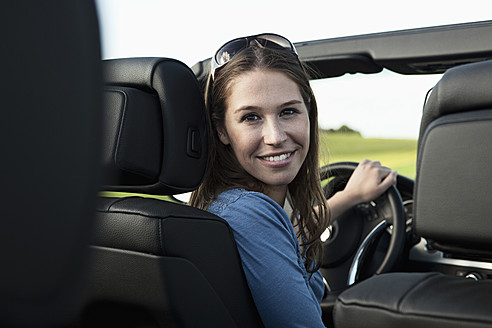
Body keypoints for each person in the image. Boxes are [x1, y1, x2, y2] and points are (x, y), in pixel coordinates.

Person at [189, 33, 397, 327]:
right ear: (222, 129)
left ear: (308, 114)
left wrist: (351, 196)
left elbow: (289, 234)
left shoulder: (232, 205)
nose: (275, 137)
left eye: (288, 112)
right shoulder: (249, 212)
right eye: (251, 117)